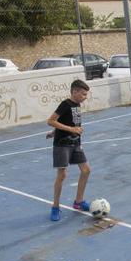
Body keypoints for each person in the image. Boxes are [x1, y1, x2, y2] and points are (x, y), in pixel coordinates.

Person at [47, 79, 92, 221]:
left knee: (86, 170)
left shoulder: (77, 104)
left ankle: (78, 202)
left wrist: (54, 131)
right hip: (62, 144)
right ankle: (55, 207)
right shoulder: (65, 104)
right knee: (62, 175)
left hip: (76, 143)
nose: (85, 97)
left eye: (86, 95)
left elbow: (66, 121)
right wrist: (71, 129)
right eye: (83, 94)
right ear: (75, 91)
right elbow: (51, 120)